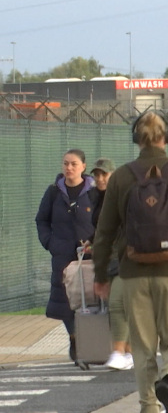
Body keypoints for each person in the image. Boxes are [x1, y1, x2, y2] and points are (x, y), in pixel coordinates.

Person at [92, 112, 168, 413]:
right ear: (166, 137)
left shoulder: (121, 176)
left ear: (137, 139)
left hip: (132, 274)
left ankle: (148, 407)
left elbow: (104, 231)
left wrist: (100, 275)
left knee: (143, 346)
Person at [35, 149, 99, 365]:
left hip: (88, 255)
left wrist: (95, 241)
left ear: (83, 166)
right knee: (64, 299)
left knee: (91, 297)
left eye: (73, 164)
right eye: (65, 164)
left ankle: (94, 343)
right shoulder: (53, 192)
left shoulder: (93, 192)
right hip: (62, 255)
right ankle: (74, 338)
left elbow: (104, 220)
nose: (69, 168)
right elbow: (41, 220)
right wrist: (50, 243)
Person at [90, 158, 134, 371]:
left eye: (104, 175)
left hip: (123, 257)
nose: (100, 179)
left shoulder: (120, 197)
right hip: (107, 258)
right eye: (97, 175)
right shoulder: (95, 198)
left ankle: (118, 352)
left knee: (117, 303)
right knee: (117, 306)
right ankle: (129, 351)